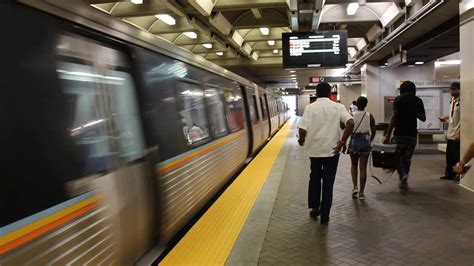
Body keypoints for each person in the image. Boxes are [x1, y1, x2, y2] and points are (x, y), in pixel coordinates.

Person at [298, 82, 354, 224]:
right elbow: (350, 123)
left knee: (315, 178)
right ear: (330, 93)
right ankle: (325, 215)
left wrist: (302, 140)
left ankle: (314, 208)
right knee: (328, 183)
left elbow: (302, 129)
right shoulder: (338, 107)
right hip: (332, 151)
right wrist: (342, 141)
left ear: (316, 92)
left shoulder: (310, 108)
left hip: (315, 150)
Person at [384, 81, 426, 191]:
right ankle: (404, 181)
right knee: (407, 159)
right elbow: (423, 118)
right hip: (411, 134)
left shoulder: (398, 100)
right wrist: (414, 112)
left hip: (399, 133)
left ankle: (403, 175)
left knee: (397, 157)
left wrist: (388, 134)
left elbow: (394, 118)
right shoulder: (418, 100)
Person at [349, 97, 376, 200]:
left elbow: (348, 128)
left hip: (354, 141)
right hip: (365, 141)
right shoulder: (370, 116)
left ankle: (355, 187)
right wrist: (370, 140)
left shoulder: (352, 115)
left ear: (357, 104)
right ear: (366, 104)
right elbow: (373, 131)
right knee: (363, 168)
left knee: (354, 165)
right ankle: (362, 193)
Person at [439, 82, 461, 181]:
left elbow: (464, 118)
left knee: (456, 156)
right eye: (451, 89)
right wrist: (445, 118)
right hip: (450, 132)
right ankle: (449, 174)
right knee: (449, 156)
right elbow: (452, 113)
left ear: (459, 90)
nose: (452, 91)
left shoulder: (462, 101)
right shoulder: (452, 100)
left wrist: (459, 133)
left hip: (457, 133)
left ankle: (457, 174)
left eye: (454, 89)